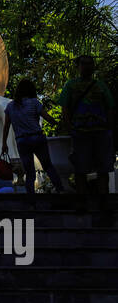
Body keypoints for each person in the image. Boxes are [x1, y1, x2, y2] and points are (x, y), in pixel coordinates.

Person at [58, 56, 115, 210]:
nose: (88, 67)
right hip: (81, 133)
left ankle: (104, 200)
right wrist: (70, 127)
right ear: (78, 67)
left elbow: (110, 107)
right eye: (84, 64)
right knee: (80, 168)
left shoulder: (101, 86)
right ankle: (81, 200)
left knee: (103, 168)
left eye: (90, 64)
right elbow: (65, 108)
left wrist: (109, 128)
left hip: (101, 133)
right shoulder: (71, 85)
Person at [2, 79, 64, 196]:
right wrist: (59, 124)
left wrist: (4, 144)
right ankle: (60, 190)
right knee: (48, 166)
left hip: (22, 141)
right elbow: (48, 118)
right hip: (37, 138)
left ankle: (31, 200)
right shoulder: (35, 103)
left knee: (29, 173)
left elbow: (6, 127)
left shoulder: (10, 107)